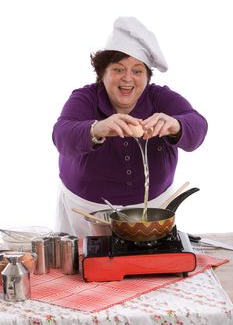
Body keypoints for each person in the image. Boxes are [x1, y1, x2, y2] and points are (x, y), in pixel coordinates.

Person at [52, 16, 208, 237]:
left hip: (154, 212)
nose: (128, 78)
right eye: (118, 69)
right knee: (78, 268)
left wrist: (176, 125)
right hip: (87, 212)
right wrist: (97, 129)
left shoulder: (160, 98)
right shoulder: (85, 98)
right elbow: (62, 135)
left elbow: (198, 126)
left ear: (146, 77)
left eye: (137, 71)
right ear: (102, 74)